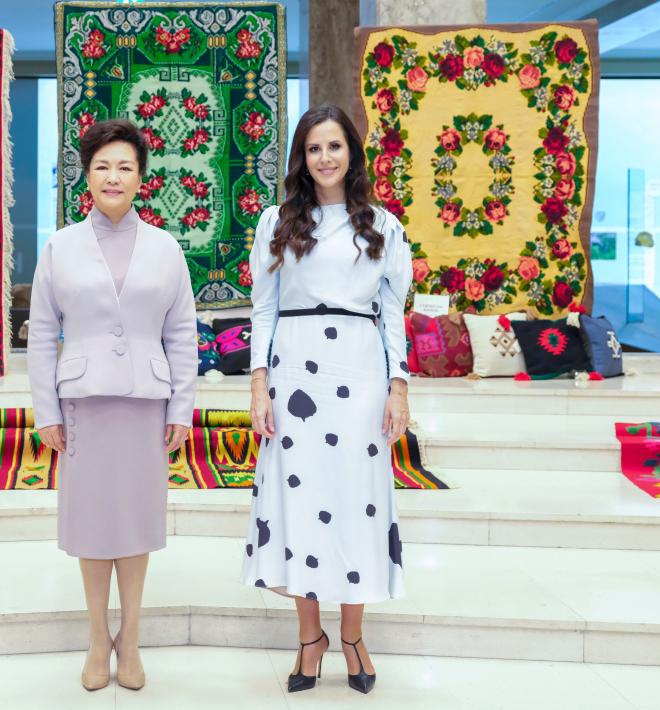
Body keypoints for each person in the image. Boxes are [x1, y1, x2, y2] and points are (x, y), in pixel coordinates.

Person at [241, 104, 412, 694]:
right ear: (301, 157)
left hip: (359, 374)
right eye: (314, 148)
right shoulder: (276, 222)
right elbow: (263, 307)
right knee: (304, 500)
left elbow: (393, 314)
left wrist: (399, 388)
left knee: (355, 501)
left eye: (335, 146)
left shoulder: (384, 226)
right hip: (295, 374)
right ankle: (310, 638)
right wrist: (259, 383)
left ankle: (354, 636)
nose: (325, 158)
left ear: (352, 152)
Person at [28, 119, 198, 691]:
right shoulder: (60, 246)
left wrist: (181, 409)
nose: (113, 176)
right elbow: (42, 331)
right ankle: (98, 637)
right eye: (103, 166)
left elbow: (182, 334)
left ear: (142, 178)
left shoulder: (166, 247)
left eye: (125, 166)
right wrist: (46, 410)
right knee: (93, 522)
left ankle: (133, 637)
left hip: (146, 405)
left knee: (135, 520)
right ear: (87, 176)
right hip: (83, 404)